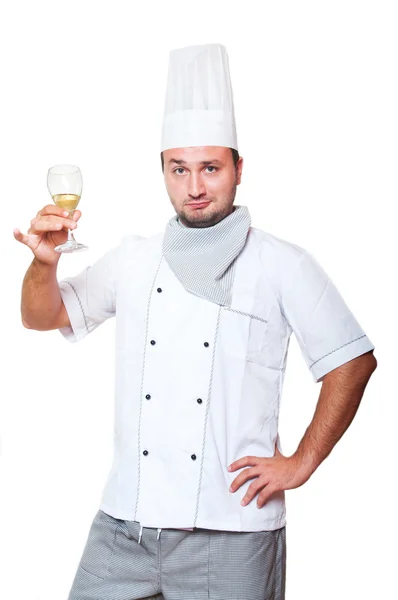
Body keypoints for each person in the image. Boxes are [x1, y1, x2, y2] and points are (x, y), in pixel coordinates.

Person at [14, 43, 377, 600]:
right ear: (163, 170)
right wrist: (43, 264)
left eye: (210, 167)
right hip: (124, 526)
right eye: (179, 169)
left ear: (238, 168)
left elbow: (352, 359)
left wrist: (300, 463)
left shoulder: (282, 263)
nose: (195, 187)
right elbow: (42, 316)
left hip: (230, 532)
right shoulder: (135, 258)